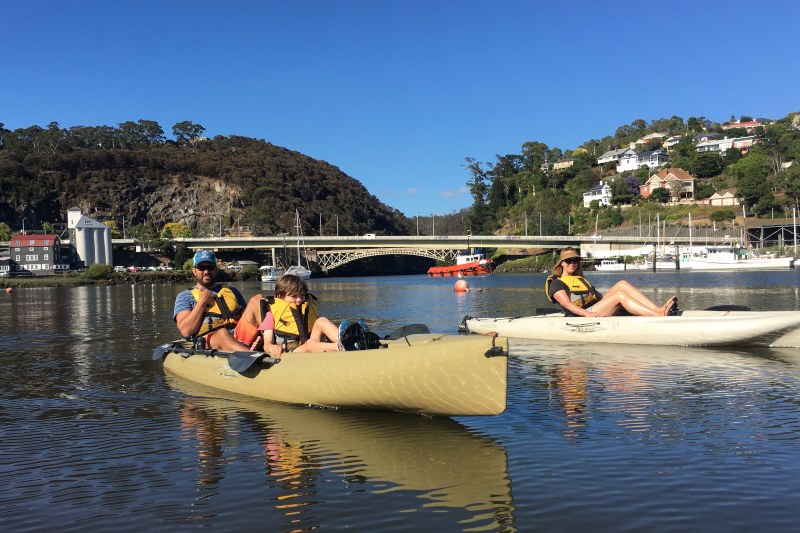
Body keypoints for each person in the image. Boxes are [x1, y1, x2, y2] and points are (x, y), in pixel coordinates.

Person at [545, 247, 677, 317]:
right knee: (619, 296)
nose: (572, 263)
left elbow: (599, 298)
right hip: (581, 314)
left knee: (622, 284)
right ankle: (657, 315)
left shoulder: (579, 279)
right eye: (569, 261)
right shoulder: (557, 283)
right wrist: (587, 314)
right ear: (561, 263)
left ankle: (658, 309)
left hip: (596, 308)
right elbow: (567, 305)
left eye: (575, 260)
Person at [173, 250, 264, 351]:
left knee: (258, 299)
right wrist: (202, 301)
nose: (206, 271)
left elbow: (249, 316)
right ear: (194, 271)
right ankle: (252, 356)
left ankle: (268, 342)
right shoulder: (185, 296)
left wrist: (260, 335)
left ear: (216, 270)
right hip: (210, 339)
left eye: (210, 267)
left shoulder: (232, 291)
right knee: (223, 333)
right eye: (202, 268)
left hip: (238, 334)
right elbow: (186, 331)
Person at [258, 274, 359, 357]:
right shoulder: (271, 315)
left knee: (321, 320)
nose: (299, 300)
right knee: (309, 345)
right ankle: (342, 347)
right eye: (294, 296)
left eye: (301, 295)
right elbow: (267, 345)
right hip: (289, 354)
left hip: (309, 346)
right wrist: (273, 348)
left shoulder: (306, 309)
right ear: (280, 296)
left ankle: (351, 340)